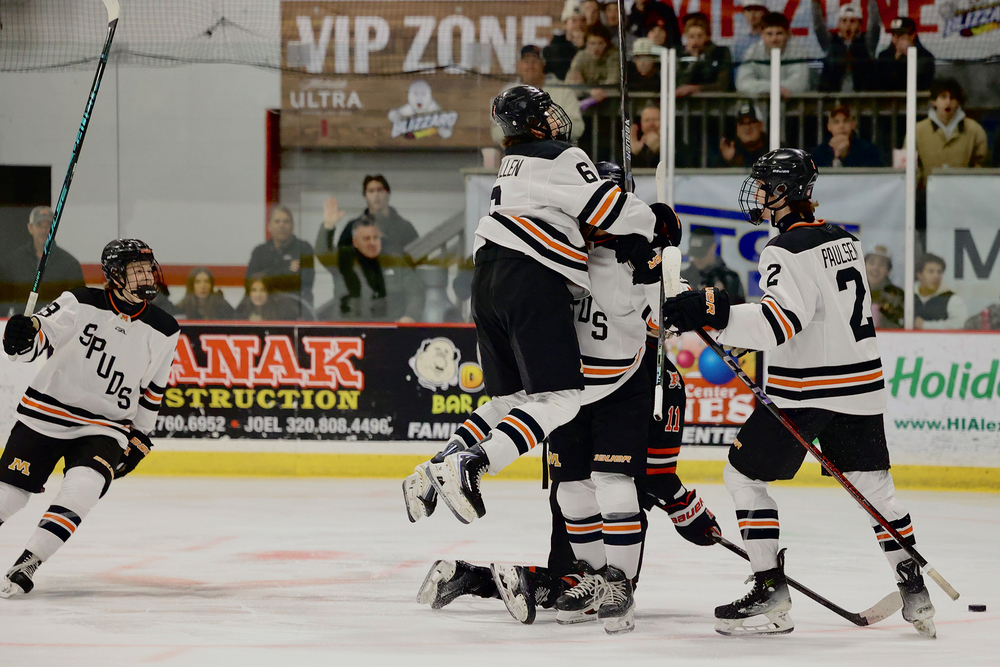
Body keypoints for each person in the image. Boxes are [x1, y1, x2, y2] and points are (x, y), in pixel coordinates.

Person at [408, 162, 717, 633]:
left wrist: (661, 269)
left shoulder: (638, 258)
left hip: (619, 386)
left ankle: (619, 583)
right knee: (570, 491)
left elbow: (666, 312)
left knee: (613, 483)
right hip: (568, 388)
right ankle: (589, 580)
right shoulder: (559, 250)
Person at [662, 148, 937, 638]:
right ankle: (915, 589)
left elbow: (778, 323)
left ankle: (770, 585)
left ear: (783, 193)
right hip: (862, 387)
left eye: (765, 187)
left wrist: (716, 314)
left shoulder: (783, 250)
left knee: (742, 477)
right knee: (876, 491)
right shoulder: (845, 240)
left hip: (808, 391)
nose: (760, 195)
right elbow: (822, 317)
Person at [413, 85, 666, 526]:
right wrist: (653, 221)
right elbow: (608, 209)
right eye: (545, 113)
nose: (555, 119)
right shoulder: (558, 155)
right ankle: (471, 464)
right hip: (529, 279)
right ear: (531, 122)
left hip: (487, 280)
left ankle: (434, 467)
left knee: (511, 399)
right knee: (563, 400)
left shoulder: (511, 165)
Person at [0, 239, 179, 597]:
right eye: (137, 270)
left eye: (149, 267)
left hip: (106, 426)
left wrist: (141, 434)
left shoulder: (165, 328)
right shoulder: (79, 302)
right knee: (9, 496)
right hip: (45, 413)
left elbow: (153, 389)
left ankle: (29, 562)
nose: (147, 276)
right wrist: (20, 338)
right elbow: (33, 342)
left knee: (84, 488)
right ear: (114, 275)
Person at [317, 175, 420, 278]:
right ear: (365, 196)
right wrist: (328, 225)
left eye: (380, 190)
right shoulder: (352, 227)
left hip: (395, 286)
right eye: (371, 191)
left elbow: (417, 261)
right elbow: (336, 261)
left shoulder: (405, 228)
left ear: (388, 194)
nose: (376, 195)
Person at [328, 216, 425, 323]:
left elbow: (416, 293)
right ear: (355, 242)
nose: (372, 243)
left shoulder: (396, 262)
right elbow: (323, 251)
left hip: (390, 332)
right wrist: (328, 226)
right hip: (349, 332)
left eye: (376, 238)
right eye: (366, 239)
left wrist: (410, 317)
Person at [0, 206, 85, 317]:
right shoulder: (13, 262)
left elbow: (79, 303)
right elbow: (3, 299)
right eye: (39, 225)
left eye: (49, 225)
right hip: (21, 327)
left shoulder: (70, 264)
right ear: (30, 228)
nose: (44, 230)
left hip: (56, 328)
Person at [491, 45, 585, 145]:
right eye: (526, 62)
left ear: (543, 64)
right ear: (518, 65)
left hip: (556, 153)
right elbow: (496, 131)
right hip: (522, 154)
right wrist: (524, 131)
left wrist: (547, 129)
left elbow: (578, 128)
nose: (530, 66)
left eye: (535, 61)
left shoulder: (563, 90)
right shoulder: (508, 93)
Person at [913, 78, 990, 189]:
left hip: (964, 196)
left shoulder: (974, 130)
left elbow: (982, 166)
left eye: (952, 98)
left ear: (958, 102)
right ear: (933, 101)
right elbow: (911, 166)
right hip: (927, 197)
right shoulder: (918, 130)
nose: (948, 102)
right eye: (943, 97)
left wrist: (970, 187)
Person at [247, 205, 314, 313]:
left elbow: (306, 282)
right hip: (263, 311)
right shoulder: (259, 252)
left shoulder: (303, 248)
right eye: (277, 221)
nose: (282, 225)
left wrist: (267, 277)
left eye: (286, 221)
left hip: (295, 310)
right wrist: (286, 269)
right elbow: (250, 282)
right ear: (269, 226)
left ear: (292, 226)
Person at [736, 12, 810, 97]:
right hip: (759, 107)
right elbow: (743, 84)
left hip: (793, 107)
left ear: (787, 34)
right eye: (769, 34)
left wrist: (763, 88)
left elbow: (799, 84)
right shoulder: (752, 52)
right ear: (762, 35)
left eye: (779, 33)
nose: (774, 39)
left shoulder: (799, 52)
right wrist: (775, 89)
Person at [812, 1, 880, 92]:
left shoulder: (867, 43)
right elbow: (818, 26)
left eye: (852, 21)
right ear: (839, 24)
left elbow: (875, 24)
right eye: (844, 21)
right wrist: (815, 3)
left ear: (860, 26)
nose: (848, 25)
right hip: (834, 101)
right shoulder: (831, 43)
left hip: (862, 101)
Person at [680, 227, 746, 304]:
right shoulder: (683, 278)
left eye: (701, 254)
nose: (697, 259)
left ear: (713, 248)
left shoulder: (729, 279)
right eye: (695, 254)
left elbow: (739, 310)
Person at [676, 12, 733, 96]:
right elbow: (679, 85)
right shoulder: (680, 56)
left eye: (699, 36)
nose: (695, 41)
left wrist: (696, 88)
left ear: (707, 37)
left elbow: (723, 85)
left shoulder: (721, 52)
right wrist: (693, 61)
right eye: (691, 36)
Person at [873, 17, 934, 91]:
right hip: (890, 99)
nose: (895, 39)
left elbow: (923, 83)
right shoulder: (884, 55)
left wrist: (909, 56)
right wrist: (896, 59)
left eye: (900, 36)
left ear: (912, 36)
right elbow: (881, 83)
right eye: (893, 35)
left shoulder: (925, 56)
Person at [566, 23, 621, 107]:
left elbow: (613, 82)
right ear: (586, 44)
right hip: (586, 102)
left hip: (611, 103)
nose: (596, 48)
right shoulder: (581, 56)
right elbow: (571, 81)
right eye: (592, 43)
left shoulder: (614, 56)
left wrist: (590, 88)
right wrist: (590, 91)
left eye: (600, 43)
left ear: (606, 44)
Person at [810, 106, 884, 167]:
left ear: (853, 125)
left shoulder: (868, 150)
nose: (841, 126)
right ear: (829, 127)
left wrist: (845, 156)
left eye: (846, 121)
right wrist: (836, 157)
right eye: (836, 122)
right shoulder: (818, 152)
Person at [914, 253, 967, 330]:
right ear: (919, 274)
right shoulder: (908, 295)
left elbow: (960, 324)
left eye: (939, 272)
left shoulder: (951, 298)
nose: (936, 276)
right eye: (931, 271)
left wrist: (926, 325)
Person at [710, 101, 769, 168]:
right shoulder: (730, 150)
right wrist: (731, 161)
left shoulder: (774, 147)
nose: (747, 128)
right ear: (737, 128)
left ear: (761, 125)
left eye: (751, 122)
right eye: (742, 123)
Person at [864, 245, 904, 329]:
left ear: (888, 270)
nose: (875, 268)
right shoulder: (852, 291)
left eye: (881, 264)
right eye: (871, 262)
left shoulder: (897, 295)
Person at [234, 274, 299, 321]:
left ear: (269, 292)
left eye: (262, 290)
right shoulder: (243, 308)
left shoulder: (282, 309)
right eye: (254, 290)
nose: (258, 295)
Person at [544, 5, 583, 81]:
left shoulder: (593, 43)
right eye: (574, 21)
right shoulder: (554, 48)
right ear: (565, 24)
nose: (579, 24)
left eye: (582, 20)